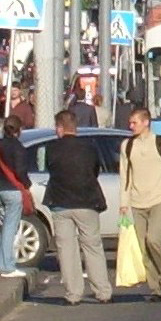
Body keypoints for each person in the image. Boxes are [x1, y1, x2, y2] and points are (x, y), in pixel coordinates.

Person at [119, 108, 161, 303]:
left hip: (159, 198)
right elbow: (125, 177)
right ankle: (155, 288)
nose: (130, 126)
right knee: (142, 246)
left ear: (146, 122)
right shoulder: (127, 146)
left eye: (134, 123)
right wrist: (123, 203)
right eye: (130, 123)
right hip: (137, 202)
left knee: (154, 240)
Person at [43, 110, 111, 305]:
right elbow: (95, 169)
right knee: (93, 246)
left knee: (66, 249)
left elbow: (50, 168)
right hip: (87, 201)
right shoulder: (89, 147)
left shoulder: (52, 148)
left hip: (60, 202)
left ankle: (73, 294)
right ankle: (102, 291)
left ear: (59, 128)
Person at [0, 115, 29, 278]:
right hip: (13, 190)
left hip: (0, 189)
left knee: (4, 228)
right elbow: (20, 171)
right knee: (11, 229)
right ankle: (7, 266)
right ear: (19, 131)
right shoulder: (18, 148)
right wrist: (26, 184)